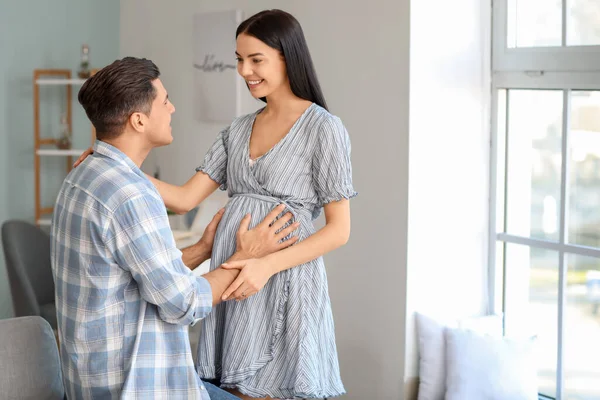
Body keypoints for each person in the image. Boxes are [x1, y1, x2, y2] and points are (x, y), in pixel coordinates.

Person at [74, 9, 356, 399]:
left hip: (283, 278)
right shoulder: (238, 129)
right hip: (233, 270)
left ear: (287, 57)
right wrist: (113, 163)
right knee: (234, 388)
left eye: (256, 59)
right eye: (239, 59)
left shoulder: (324, 129)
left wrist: (266, 264)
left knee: (276, 388)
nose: (244, 70)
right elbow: (186, 197)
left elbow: (339, 230)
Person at [51, 56, 299, 400]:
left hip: (87, 385)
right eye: (164, 101)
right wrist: (248, 254)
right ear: (138, 120)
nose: (173, 108)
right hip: (138, 390)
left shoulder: (80, 177)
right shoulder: (131, 196)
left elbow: (134, 280)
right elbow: (183, 304)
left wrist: (202, 249)